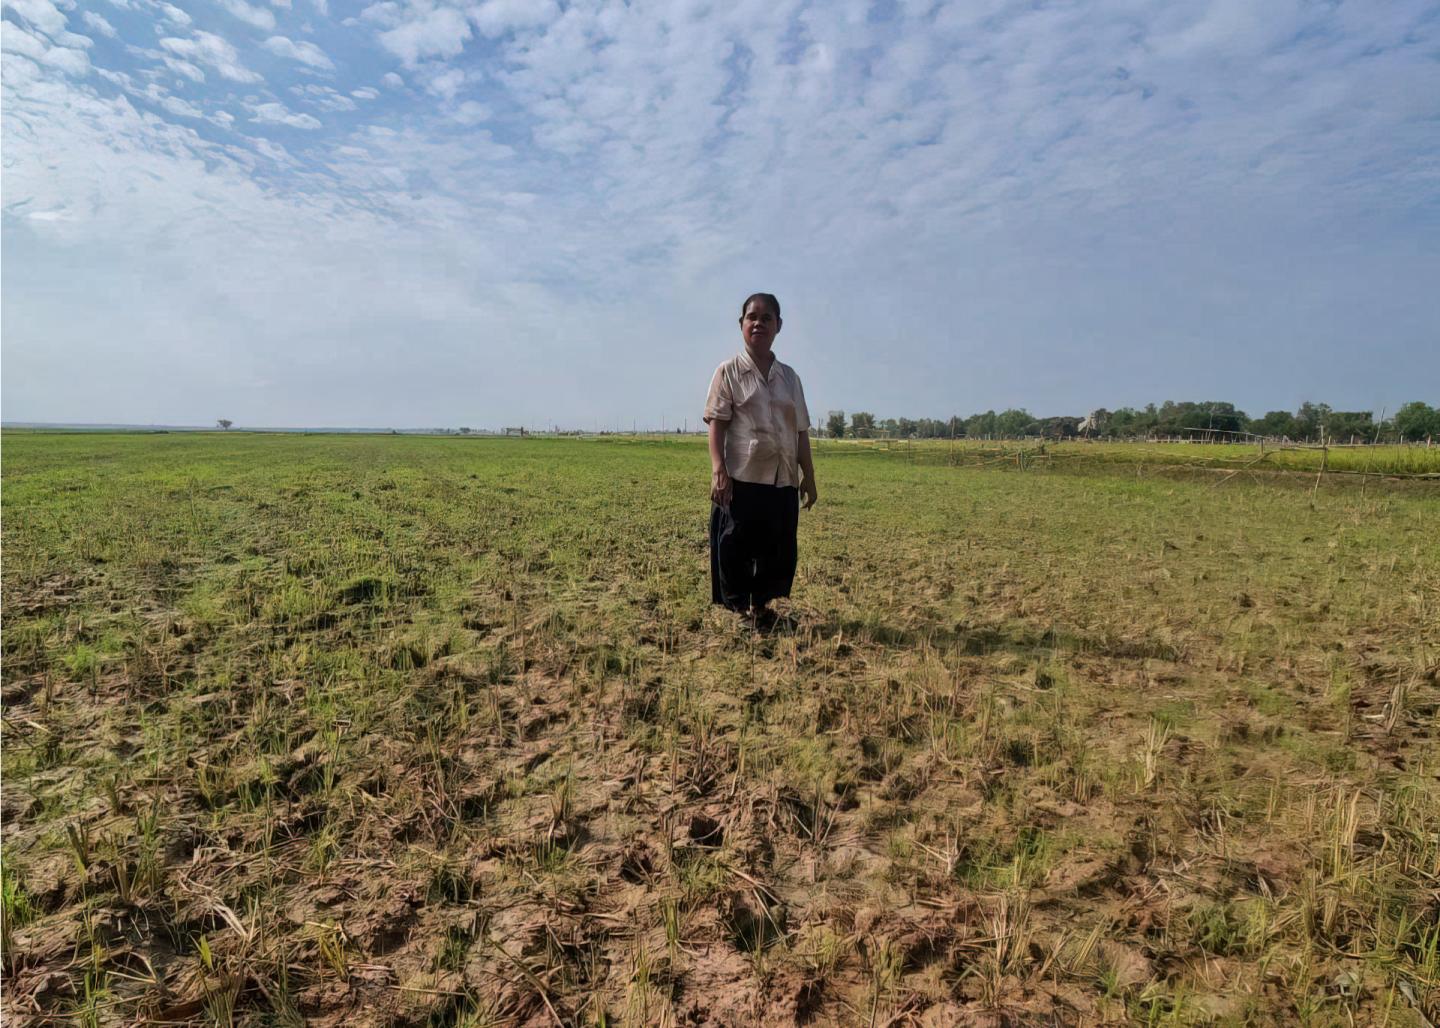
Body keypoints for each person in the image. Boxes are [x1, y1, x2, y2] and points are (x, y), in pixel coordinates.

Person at [704, 293, 817, 627]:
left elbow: (800, 431)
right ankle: (740, 612)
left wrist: (808, 475)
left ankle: (763, 609)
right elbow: (717, 423)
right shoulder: (728, 372)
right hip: (743, 476)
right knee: (736, 545)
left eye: (767, 318)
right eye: (751, 317)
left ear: (778, 326)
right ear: (741, 325)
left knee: (776, 548)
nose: (758, 323)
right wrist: (718, 469)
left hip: (782, 478)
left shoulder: (790, 378)